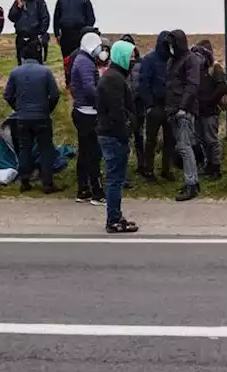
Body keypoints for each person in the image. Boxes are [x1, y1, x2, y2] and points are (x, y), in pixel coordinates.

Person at [5, 41, 61, 193]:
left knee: (25, 149)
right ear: (39, 56)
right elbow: (55, 94)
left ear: (22, 56)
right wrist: (48, 109)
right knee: (45, 149)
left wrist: (18, 108)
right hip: (42, 116)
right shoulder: (45, 72)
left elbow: (8, 95)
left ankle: (24, 181)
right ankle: (47, 183)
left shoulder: (15, 72)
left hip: (22, 117)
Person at [97, 39, 139, 233]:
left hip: (111, 134)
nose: (133, 60)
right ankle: (113, 219)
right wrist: (125, 134)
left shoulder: (114, 76)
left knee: (116, 177)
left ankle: (116, 215)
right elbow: (117, 112)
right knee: (115, 178)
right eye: (130, 56)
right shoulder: (114, 79)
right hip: (113, 135)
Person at [164, 30, 202, 201]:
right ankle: (192, 180)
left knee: (185, 147)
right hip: (174, 109)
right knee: (183, 147)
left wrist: (182, 107)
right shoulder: (174, 60)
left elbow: (192, 85)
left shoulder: (190, 59)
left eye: (172, 44)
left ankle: (191, 183)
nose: (170, 48)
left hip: (183, 111)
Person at [69, 30, 107, 204]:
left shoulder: (82, 59)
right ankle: (97, 191)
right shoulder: (85, 63)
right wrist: (103, 99)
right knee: (93, 153)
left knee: (84, 152)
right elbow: (89, 89)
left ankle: (83, 189)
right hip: (88, 113)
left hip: (82, 111)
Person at [137, 31, 174, 182]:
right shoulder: (150, 60)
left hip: (170, 106)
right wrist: (150, 104)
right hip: (155, 106)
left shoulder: (172, 59)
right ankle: (148, 170)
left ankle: (166, 169)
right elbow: (143, 83)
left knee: (170, 140)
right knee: (151, 141)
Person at [194, 40, 227, 181]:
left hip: (210, 112)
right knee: (203, 140)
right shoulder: (199, 68)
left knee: (211, 141)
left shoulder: (216, 68)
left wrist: (209, 101)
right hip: (200, 111)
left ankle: (216, 168)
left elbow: (222, 88)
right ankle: (209, 165)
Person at [54, 0, 96, 86]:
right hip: (66, 35)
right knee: (67, 59)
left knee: (79, 58)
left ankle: (79, 81)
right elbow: (56, 18)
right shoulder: (61, 0)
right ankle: (69, 82)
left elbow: (91, 18)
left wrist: (86, 31)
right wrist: (57, 33)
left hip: (80, 35)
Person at [9, 0, 51, 66]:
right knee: (21, 63)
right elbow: (11, 17)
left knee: (37, 63)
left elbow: (45, 18)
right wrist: (18, 7)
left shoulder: (39, 1)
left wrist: (41, 34)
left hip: (34, 38)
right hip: (21, 38)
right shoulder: (17, 3)